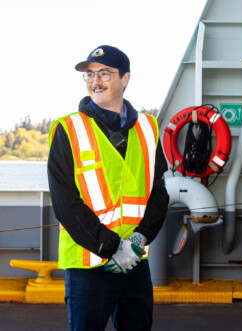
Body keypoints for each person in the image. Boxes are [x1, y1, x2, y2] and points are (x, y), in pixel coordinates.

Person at [47, 45, 169, 331]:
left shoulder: (149, 128)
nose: (95, 81)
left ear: (125, 79)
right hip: (89, 266)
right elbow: (65, 202)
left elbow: (159, 191)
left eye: (104, 73)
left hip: (135, 263)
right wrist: (112, 248)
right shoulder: (68, 129)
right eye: (89, 75)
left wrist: (138, 240)